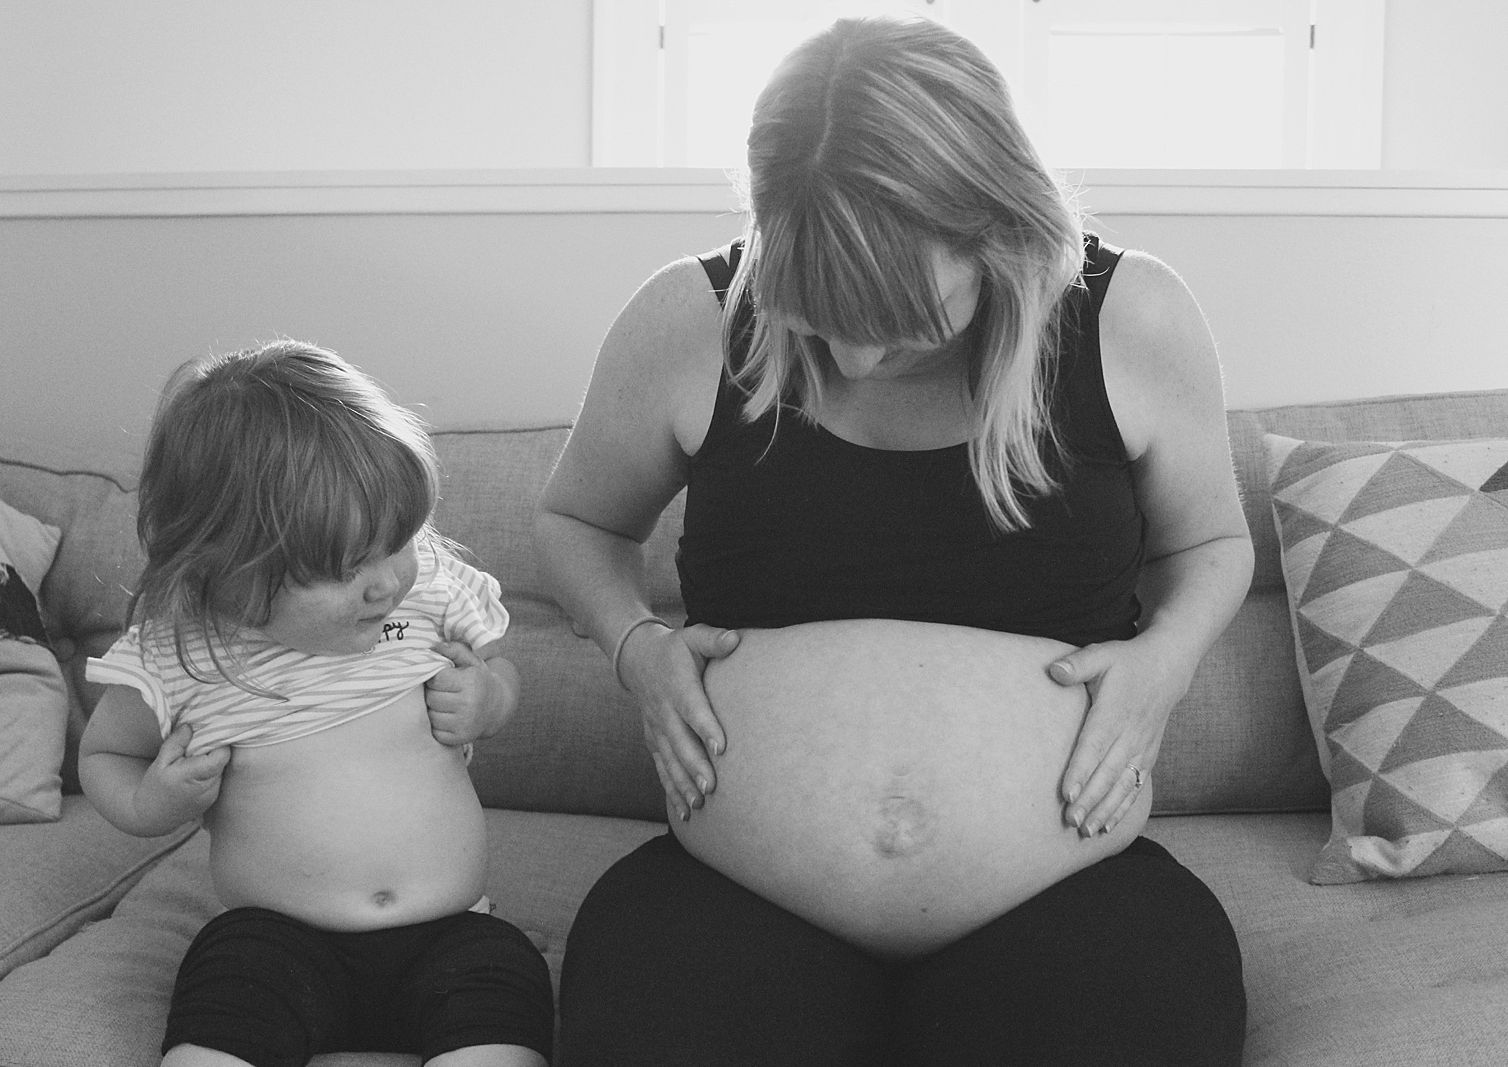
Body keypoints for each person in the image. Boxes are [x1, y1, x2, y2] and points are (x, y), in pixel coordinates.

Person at [536, 15, 1254, 1067]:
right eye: (818, 307)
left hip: (1069, 895)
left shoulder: (1125, 317)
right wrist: (634, 647)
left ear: (998, 224)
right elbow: (577, 522)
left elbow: (1213, 544)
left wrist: (1162, 662)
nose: (858, 351)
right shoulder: (688, 318)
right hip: (735, 895)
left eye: (902, 311)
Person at [78, 340, 553, 1067]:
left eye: (397, 540)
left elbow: (501, 672)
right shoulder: (186, 654)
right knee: (214, 1019)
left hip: (452, 932)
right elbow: (105, 752)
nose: (384, 582)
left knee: (505, 993)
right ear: (224, 572)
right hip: (275, 945)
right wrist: (153, 801)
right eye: (342, 568)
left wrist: (489, 698)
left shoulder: (429, 593)